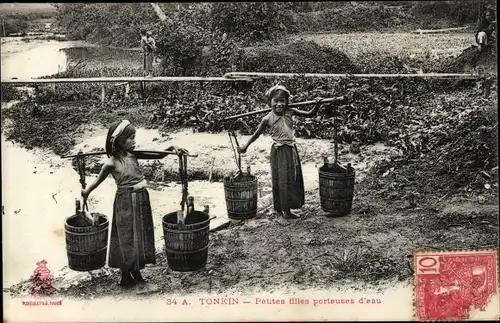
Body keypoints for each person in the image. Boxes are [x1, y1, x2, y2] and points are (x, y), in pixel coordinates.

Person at [81, 120, 186, 291]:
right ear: (120, 141)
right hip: (125, 201)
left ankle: (137, 272)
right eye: (130, 138)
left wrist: (171, 148)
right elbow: (97, 181)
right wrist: (86, 192)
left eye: (133, 137)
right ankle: (125, 274)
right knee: (126, 236)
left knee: (140, 235)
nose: (134, 141)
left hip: (142, 198)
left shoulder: (134, 155)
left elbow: (157, 155)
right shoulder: (111, 163)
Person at [238, 85, 323, 222]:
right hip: (279, 152)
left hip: (290, 149)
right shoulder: (267, 119)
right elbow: (256, 135)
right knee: (281, 180)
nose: (279, 104)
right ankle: (284, 210)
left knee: (292, 178)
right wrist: (245, 147)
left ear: (287, 102)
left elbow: (310, 114)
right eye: (275, 101)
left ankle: (287, 206)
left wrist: (317, 105)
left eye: (282, 101)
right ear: (270, 102)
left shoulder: (290, 112)